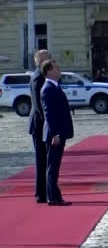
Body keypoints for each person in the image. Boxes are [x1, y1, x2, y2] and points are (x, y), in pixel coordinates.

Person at [40, 59, 74, 206]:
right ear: (49, 71)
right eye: (56, 68)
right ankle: (53, 197)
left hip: (59, 132)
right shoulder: (48, 88)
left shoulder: (54, 86)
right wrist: (55, 134)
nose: (59, 70)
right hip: (55, 134)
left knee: (55, 166)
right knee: (52, 166)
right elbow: (49, 114)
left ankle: (55, 196)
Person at [28, 50, 51, 203]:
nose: (50, 61)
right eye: (48, 59)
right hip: (39, 125)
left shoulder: (41, 75)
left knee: (43, 160)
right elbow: (38, 104)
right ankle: (41, 194)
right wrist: (47, 123)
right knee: (41, 160)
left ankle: (43, 193)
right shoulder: (38, 77)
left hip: (40, 124)